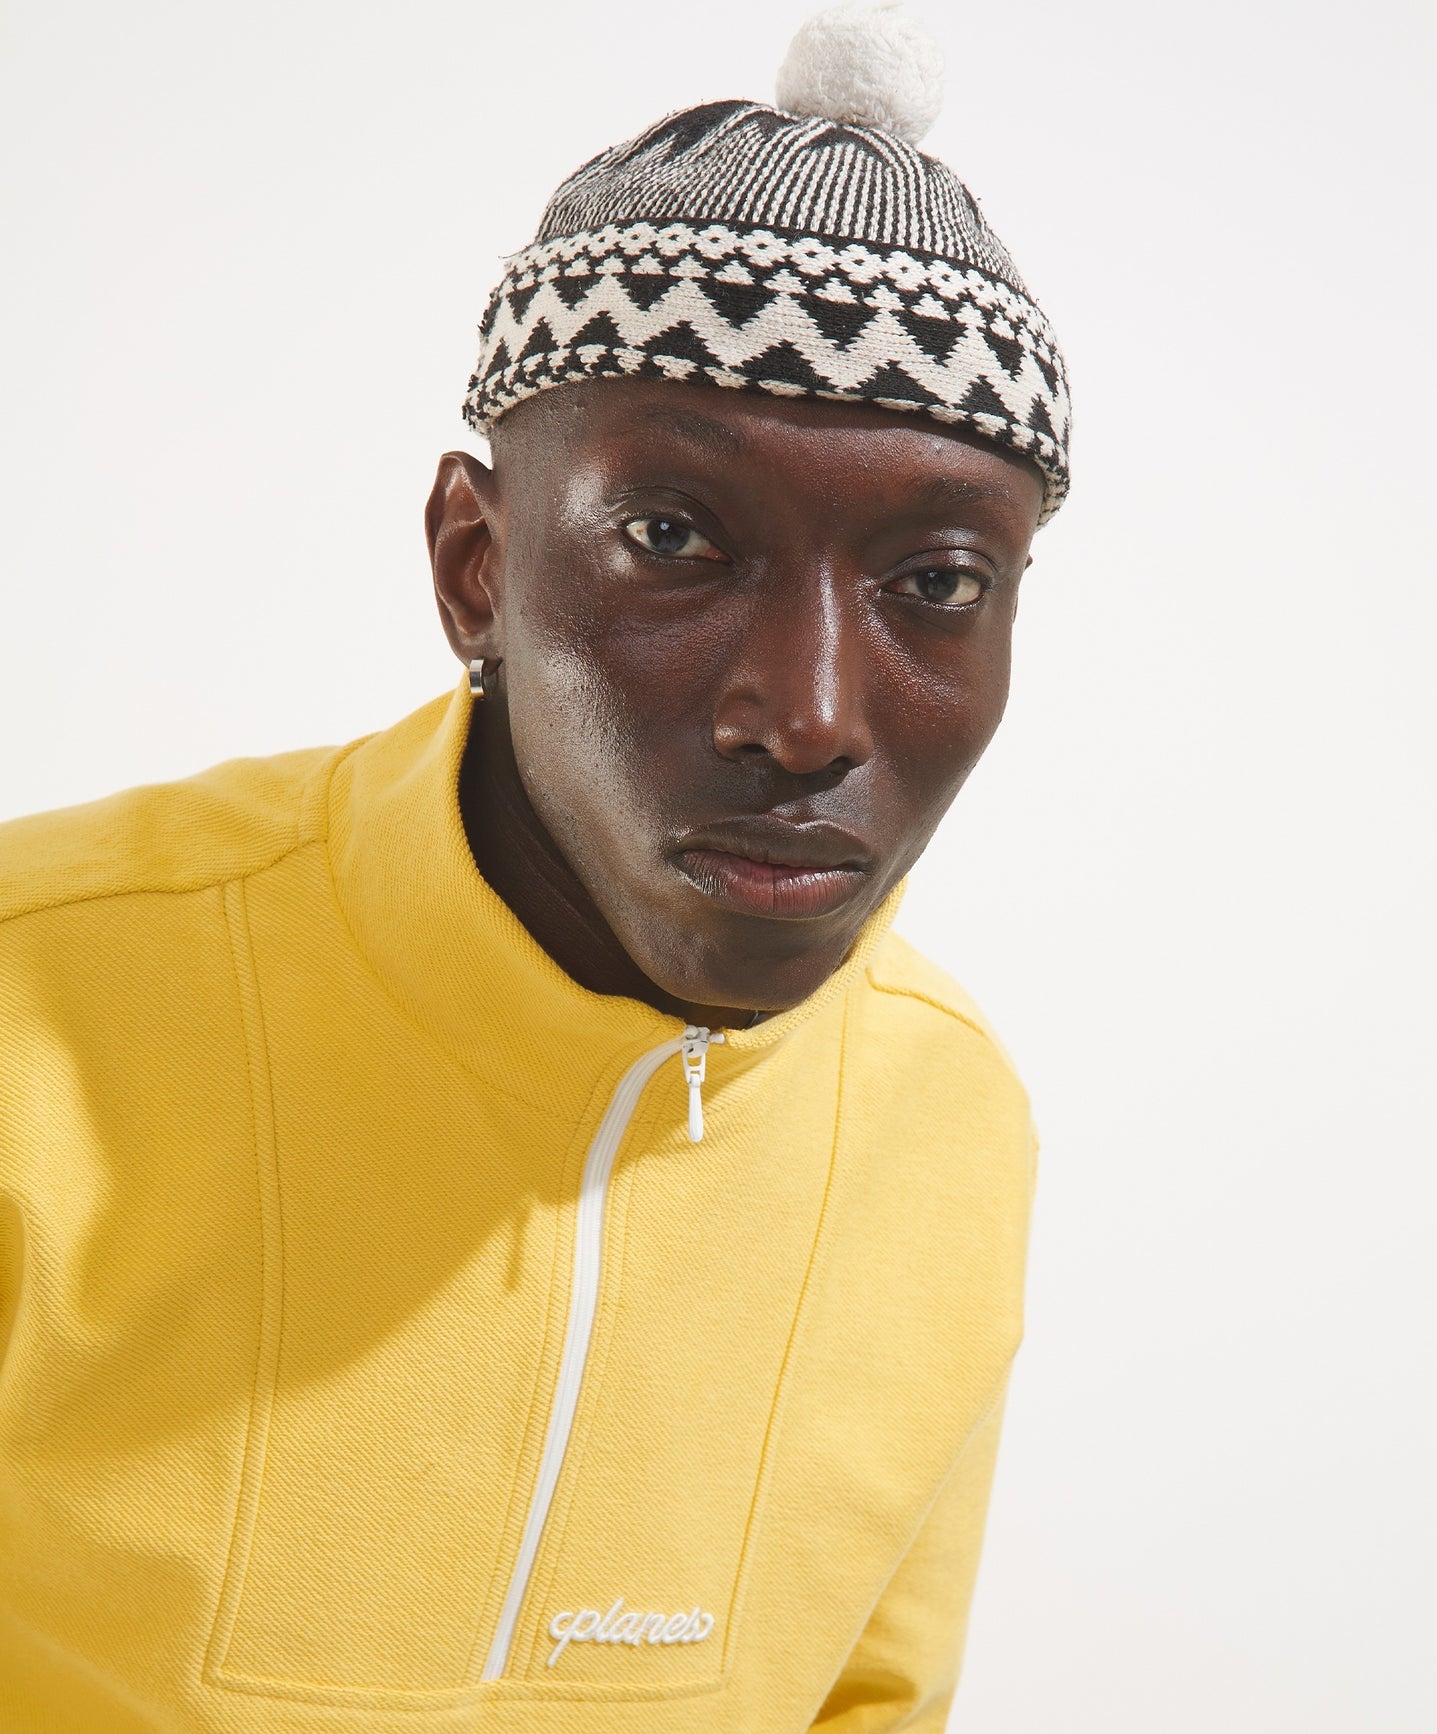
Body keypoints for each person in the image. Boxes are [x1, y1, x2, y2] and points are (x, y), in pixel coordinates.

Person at [0, 5, 1070, 1729]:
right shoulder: (33, 1010)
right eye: (674, 538)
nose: (805, 715)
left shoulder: (947, 1123)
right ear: (475, 566)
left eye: (935, 583)